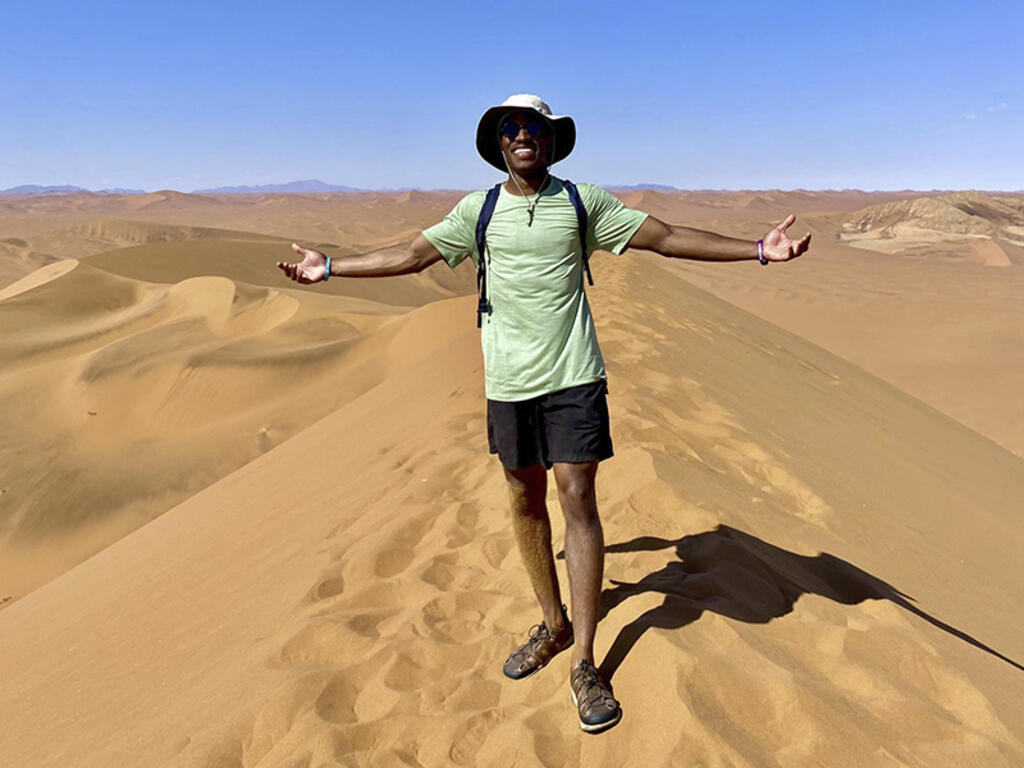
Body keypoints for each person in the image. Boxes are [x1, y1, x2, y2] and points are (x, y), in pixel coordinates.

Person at [277, 93, 810, 733]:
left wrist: (756, 248)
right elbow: (410, 254)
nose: (523, 134)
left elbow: (665, 238)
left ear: (552, 142)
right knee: (523, 499)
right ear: (500, 144)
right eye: (511, 127)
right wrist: (331, 266)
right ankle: (552, 623)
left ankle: (584, 660)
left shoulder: (582, 203)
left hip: (573, 376)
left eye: (535, 126)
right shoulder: (478, 211)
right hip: (508, 383)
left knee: (576, 495)